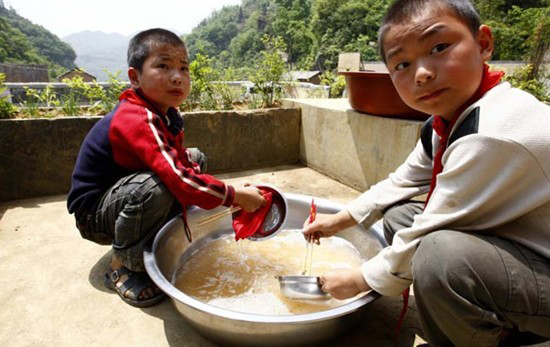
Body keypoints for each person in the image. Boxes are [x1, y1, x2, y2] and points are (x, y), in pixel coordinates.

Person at [303, 0, 550, 345]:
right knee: (401, 216)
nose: (422, 73)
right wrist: (340, 218)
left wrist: (360, 279)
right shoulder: (447, 122)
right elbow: (402, 182)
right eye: (403, 63)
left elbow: (428, 232)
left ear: (483, 44)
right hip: (525, 246)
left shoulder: (493, 134)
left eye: (439, 47)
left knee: (439, 257)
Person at [67, 28, 266, 308]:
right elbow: (178, 178)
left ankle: (157, 233)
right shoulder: (137, 116)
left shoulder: (167, 114)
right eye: (163, 66)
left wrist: (227, 192)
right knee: (157, 187)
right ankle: (121, 264)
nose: (177, 76)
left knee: (194, 159)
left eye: (184, 68)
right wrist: (233, 196)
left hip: (121, 192)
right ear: (135, 77)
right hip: (94, 216)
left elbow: (183, 165)